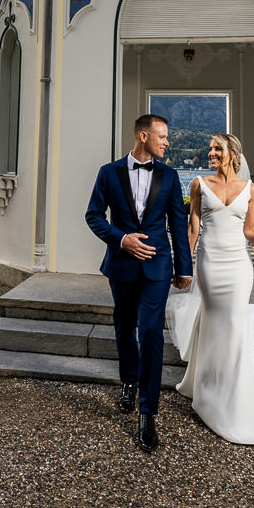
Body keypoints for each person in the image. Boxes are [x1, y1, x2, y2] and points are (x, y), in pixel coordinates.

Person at [168, 133, 254, 445]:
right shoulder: (198, 184)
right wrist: (183, 266)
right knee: (214, 323)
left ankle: (233, 399)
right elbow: (193, 227)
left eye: (216, 148)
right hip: (209, 264)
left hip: (238, 266)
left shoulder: (250, 189)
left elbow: (250, 231)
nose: (210, 153)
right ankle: (207, 389)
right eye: (209, 148)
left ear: (232, 153)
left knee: (234, 326)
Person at [84, 114, 193, 453]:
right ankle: (128, 382)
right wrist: (121, 239)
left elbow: (178, 223)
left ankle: (148, 413)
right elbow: (93, 215)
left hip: (158, 268)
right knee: (124, 326)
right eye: (162, 136)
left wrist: (184, 267)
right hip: (121, 265)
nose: (166, 142)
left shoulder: (170, 176)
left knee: (149, 333)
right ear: (143, 136)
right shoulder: (109, 172)